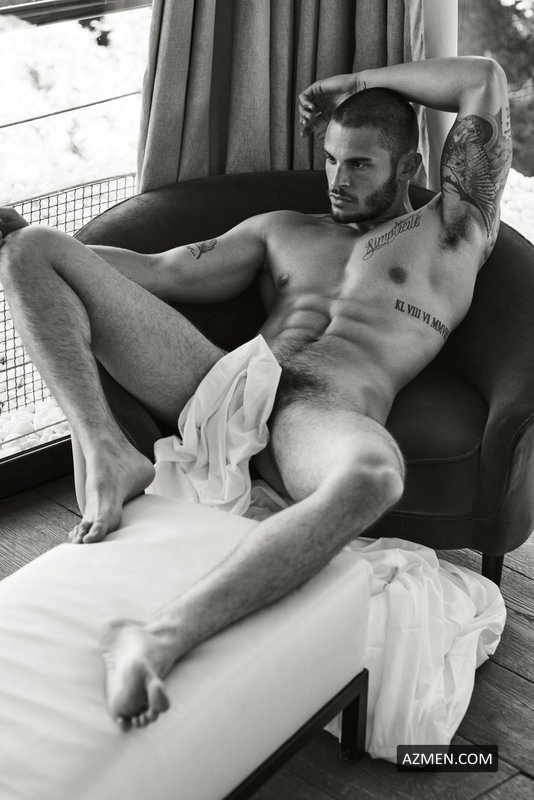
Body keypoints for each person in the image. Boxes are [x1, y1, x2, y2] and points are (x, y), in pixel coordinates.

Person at [0, 56, 511, 730]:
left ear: (410, 166)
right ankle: (106, 450)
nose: (337, 180)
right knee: (32, 247)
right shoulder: (283, 229)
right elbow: (163, 271)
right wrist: (21, 239)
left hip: (319, 412)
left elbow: (483, 79)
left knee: (374, 476)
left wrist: (352, 85)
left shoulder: (451, 231)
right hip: (224, 380)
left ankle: (158, 638)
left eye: (360, 165)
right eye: (331, 159)